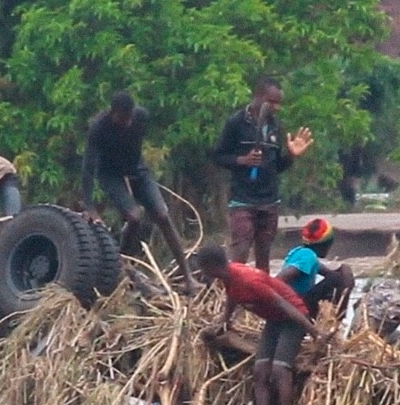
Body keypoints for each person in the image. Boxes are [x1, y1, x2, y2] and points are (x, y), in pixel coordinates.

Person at [196, 244, 323, 405]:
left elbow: (283, 303)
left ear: (212, 266)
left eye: (203, 269)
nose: (203, 273)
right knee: (260, 370)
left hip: (293, 317)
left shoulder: (249, 280)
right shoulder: (229, 276)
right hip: (274, 319)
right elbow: (233, 295)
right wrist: (225, 320)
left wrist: (313, 331)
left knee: (280, 369)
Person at [81, 91, 199, 293]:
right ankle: (122, 265)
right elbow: (88, 168)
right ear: (113, 113)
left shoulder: (141, 117)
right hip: (110, 174)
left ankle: (188, 276)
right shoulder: (98, 129)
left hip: (137, 170)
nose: (127, 122)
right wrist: (90, 206)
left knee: (162, 214)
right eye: (122, 118)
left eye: (129, 117)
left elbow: (133, 149)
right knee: (134, 217)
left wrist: (134, 178)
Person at [212, 76, 314, 271]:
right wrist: (242, 160)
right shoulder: (236, 122)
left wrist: (292, 156)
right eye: (272, 102)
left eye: (279, 103)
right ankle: (236, 295)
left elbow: (277, 167)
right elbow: (218, 156)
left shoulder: (275, 126)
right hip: (243, 199)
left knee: (263, 257)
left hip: (269, 201)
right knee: (240, 251)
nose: (276, 107)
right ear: (258, 97)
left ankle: (261, 299)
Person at [275, 217, 356, 321]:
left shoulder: (301, 252)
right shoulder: (309, 256)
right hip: (297, 304)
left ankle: (337, 317)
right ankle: (339, 317)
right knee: (338, 277)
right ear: (326, 244)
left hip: (295, 302)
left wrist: (345, 272)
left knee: (342, 272)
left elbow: (328, 272)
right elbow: (279, 280)